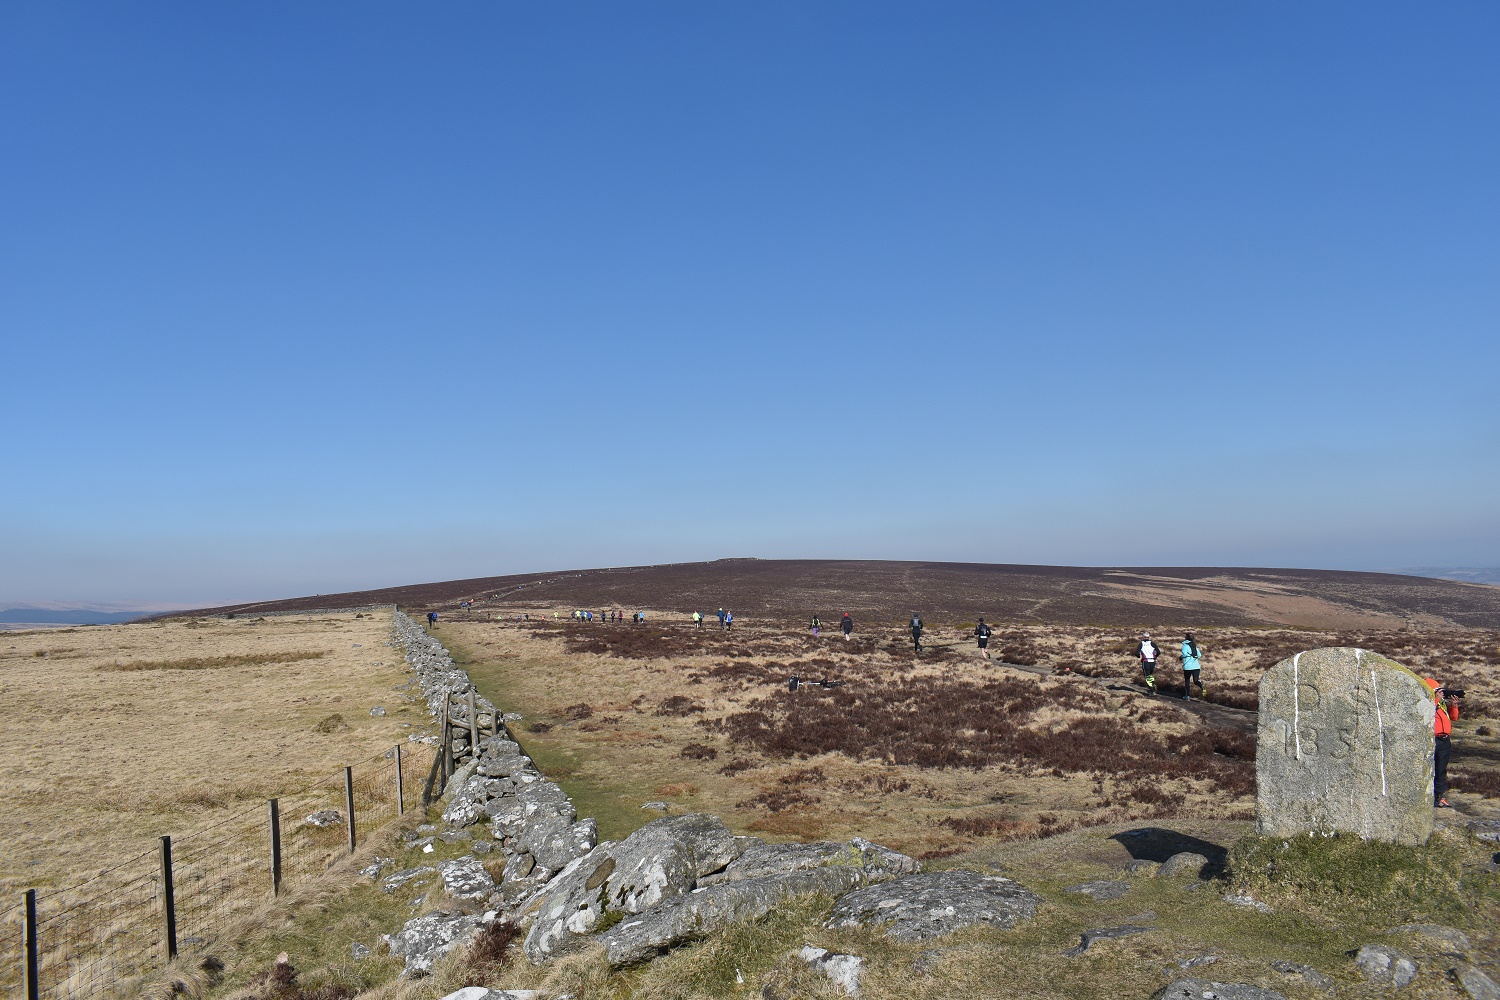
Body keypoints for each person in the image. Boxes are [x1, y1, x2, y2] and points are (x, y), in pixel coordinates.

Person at [1425, 677, 1460, 808]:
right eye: (1438, 691)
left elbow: (1454, 718)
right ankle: (1429, 797)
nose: (1441, 693)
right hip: (1433, 740)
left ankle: (1439, 797)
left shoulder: (1442, 704)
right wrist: (1436, 700)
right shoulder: (1429, 703)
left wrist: (1454, 706)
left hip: (1445, 740)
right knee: (1430, 768)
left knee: (1441, 770)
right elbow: (1428, 713)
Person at [1181, 633, 1204, 700]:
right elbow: (1199, 655)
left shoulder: (1185, 646)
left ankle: (1187, 696)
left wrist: (1181, 657)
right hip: (1196, 666)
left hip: (1188, 666)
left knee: (1187, 681)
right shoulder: (1194, 645)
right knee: (1196, 681)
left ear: (1186, 638)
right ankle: (1202, 686)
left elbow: (1184, 654)